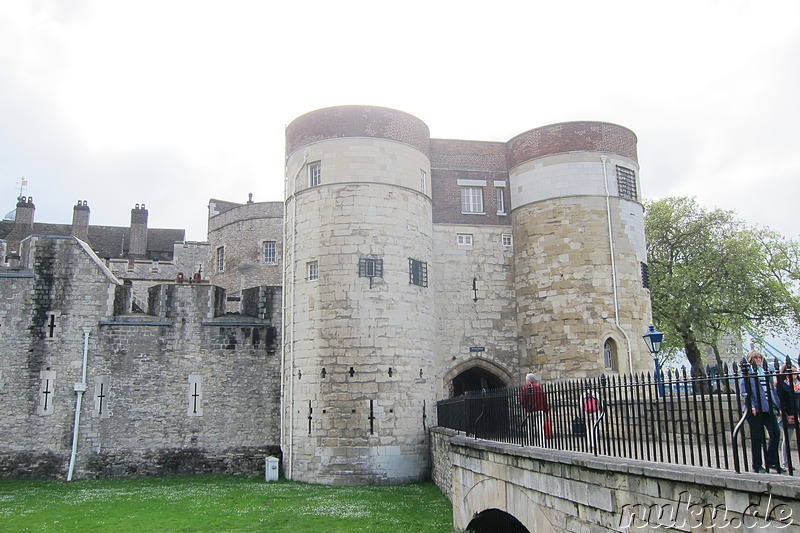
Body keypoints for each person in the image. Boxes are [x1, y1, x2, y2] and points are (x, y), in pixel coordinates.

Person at [740, 350, 782, 474]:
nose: (759, 360)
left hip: (768, 408)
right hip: (755, 410)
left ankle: (771, 460)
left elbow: (772, 391)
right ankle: (757, 465)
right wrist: (751, 405)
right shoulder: (747, 373)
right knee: (757, 438)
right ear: (751, 359)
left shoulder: (765, 372)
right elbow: (745, 391)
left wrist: (777, 406)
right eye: (756, 358)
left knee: (776, 433)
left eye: (760, 357)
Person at [776, 362, 800, 470]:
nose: (794, 374)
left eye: (795, 372)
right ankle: (786, 462)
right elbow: (780, 400)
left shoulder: (798, 384)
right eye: (792, 372)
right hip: (788, 415)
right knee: (787, 439)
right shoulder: (783, 385)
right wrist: (784, 414)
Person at [519, 373, 550, 445]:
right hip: (540, 409)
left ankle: (531, 442)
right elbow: (544, 399)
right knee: (540, 427)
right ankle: (542, 442)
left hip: (530, 410)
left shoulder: (525, 389)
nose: (526, 381)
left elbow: (522, 400)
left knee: (530, 427)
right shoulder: (539, 388)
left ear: (529, 380)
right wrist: (545, 409)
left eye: (526, 379)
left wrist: (526, 407)